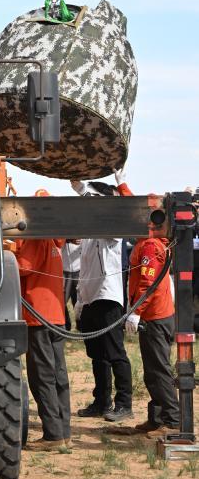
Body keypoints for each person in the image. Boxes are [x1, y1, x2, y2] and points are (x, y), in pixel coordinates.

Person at [115, 175, 180, 437]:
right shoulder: (148, 240)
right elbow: (134, 207)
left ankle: (172, 421)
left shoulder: (151, 246)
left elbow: (147, 284)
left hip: (154, 315)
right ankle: (156, 418)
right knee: (153, 370)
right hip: (152, 315)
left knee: (158, 369)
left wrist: (136, 312)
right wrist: (122, 186)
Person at [71, 177, 133, 422]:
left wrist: (83, 191)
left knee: (115, 352)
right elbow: (84, 271)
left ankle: (124, 403)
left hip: (108, 297)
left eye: (95, 200)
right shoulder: (88, 234)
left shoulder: (113, 229)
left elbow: (101, 211)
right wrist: (79, 300)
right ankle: (101, 401)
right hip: (90, 299)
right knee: (96, 355)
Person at [15, 188, 71, 451]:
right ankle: (64, 431)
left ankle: (52, 435)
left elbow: (23, 267)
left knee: (42, 376)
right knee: (59, 374)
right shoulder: (55, 242)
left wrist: (8, 250)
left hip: (37, 315)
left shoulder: (37, 238)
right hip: (56, 315)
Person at [62, 241, 81, 330]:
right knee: (61, 301)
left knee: (79, 301)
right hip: (64, 271)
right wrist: (69, 239)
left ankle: (81, 327)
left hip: (79, 270)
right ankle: (66, 326)